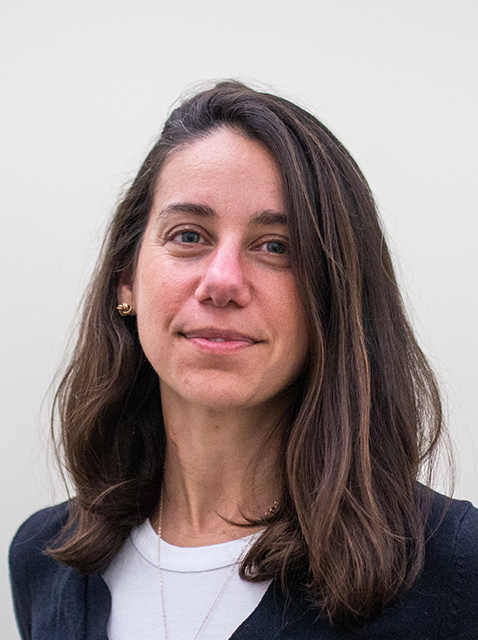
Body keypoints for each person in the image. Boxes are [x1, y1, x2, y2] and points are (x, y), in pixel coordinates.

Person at [9, 81, 478, 639]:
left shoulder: (451, 569)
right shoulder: (45, 560)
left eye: (276, 246)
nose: (223, 281)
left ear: (332, 296)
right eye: (189, 236)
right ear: (126, 280)